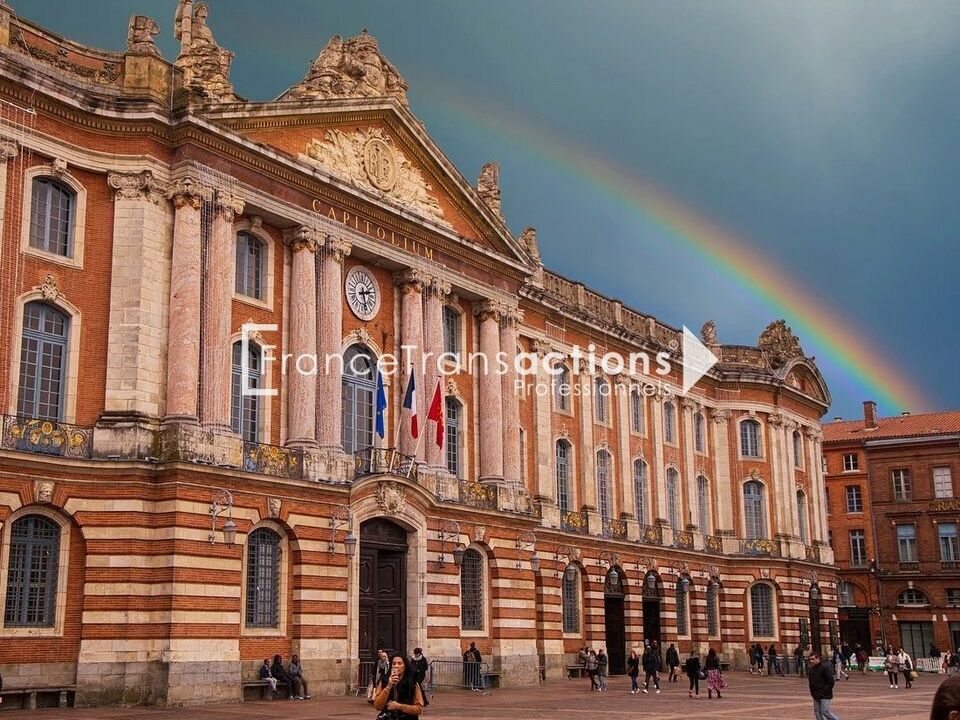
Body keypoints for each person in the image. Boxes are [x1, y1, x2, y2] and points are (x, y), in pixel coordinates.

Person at [373, 654, 424, 719]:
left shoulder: (413, 684)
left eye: (399, 663)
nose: (396, 666)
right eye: (394, 664)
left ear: (405, 666)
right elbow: (377, 706)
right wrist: (388, 686)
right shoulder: (384, 681)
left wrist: (399, 706)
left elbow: (419, 709)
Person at [808, 652, 841, 720]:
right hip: (815, 694)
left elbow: (831, 681)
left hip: (825, 694)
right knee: (817, 712)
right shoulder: (811, 669)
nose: (811, 661)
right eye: (810, 659)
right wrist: (812, 691)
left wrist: (825, 689)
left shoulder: (824, 668)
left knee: (826, 712)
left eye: (812, 659)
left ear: (817, 659)